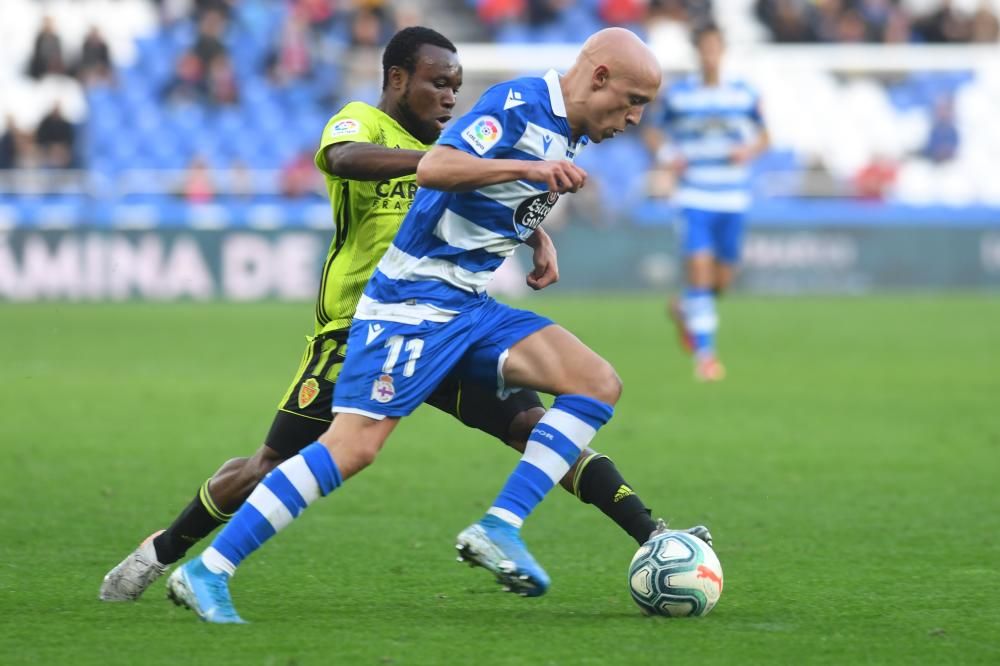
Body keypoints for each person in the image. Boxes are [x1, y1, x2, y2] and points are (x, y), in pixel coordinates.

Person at [100, 27, 705, 606]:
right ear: (396, 80)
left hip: (454, 319)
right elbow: (343, 158)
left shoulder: (476, 144)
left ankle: (649, 535)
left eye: (455, 85)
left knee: (539, 424)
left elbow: (480, 195)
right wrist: (440, 161)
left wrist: (533, 230)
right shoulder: (370, 125)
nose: (448, 96)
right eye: (437, 83)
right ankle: (166, 550)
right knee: (277, 463)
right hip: (364, 325)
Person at [656, 22, 769, 381]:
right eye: (704, 47)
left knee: (721, 282)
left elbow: (766, 135)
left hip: (733, 196)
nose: (710, 54)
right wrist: (666, 154)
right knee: (701, 276)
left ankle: (685, 309)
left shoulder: (744, 93)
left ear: (722, 50)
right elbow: (653, 131)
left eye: (715, 47)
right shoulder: (679, 95)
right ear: (697, 51)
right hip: (694, 195)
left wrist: (748, 150)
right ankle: (706, 358)